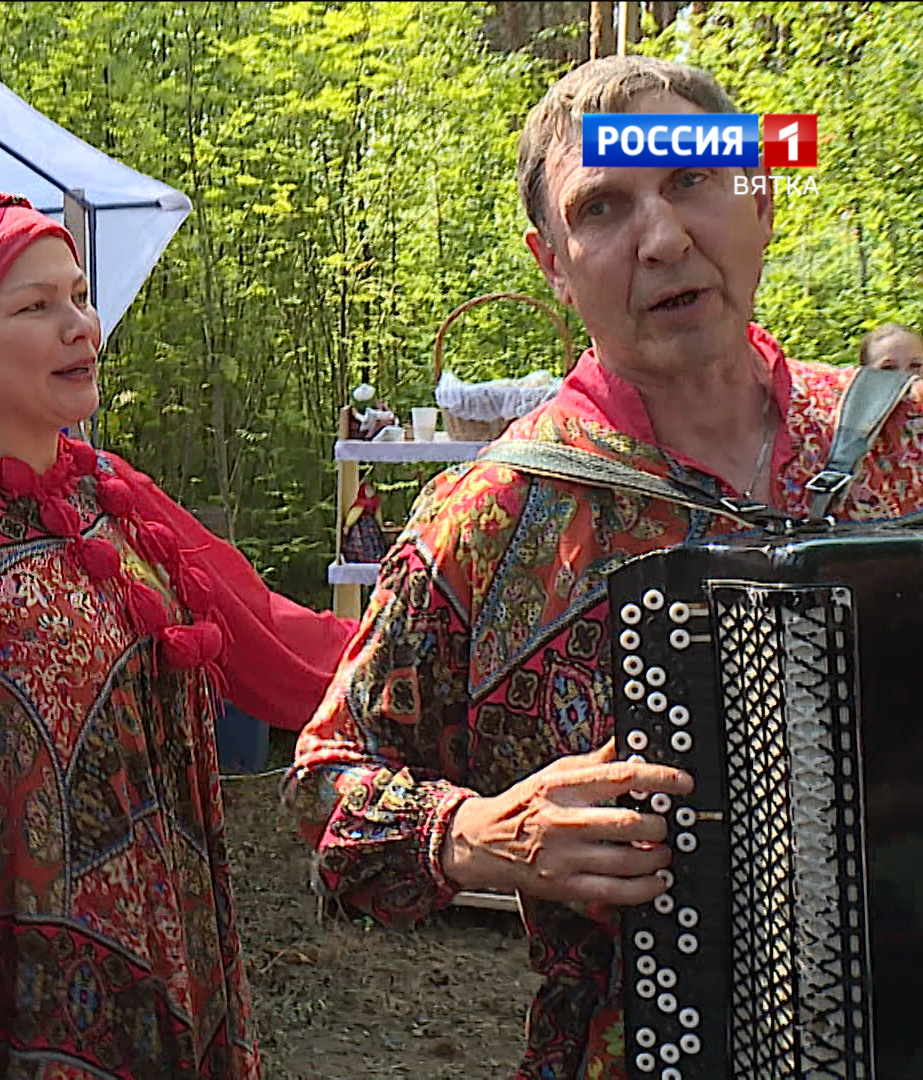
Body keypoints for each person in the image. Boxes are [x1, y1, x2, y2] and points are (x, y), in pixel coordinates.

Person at [288, 55, 923, 1080]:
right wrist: (477, 832)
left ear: (758, 201)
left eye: (691, 184)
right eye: (605, 207)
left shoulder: (901, 439)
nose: (664, 240)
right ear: (553, 262)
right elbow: (327, 787)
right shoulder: (493, 513)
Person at [0, 192, 359, 1079]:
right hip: (24, 1001)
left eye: (79, 296)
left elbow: (267, 635)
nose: (80, 327)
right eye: (36, 307)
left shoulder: (105, 492)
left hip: (174, 950)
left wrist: (428, 644)